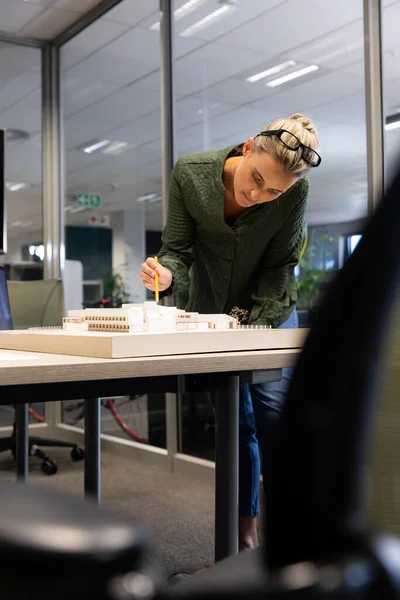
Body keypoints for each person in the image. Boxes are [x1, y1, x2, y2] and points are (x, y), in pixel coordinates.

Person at [140, 113, 321, 552]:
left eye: (273, 191)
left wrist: (250, 330)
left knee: (276, 418)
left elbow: (279, 268)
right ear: (245, 148)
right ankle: (245, 540)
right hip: (211, 315)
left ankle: (298, 540)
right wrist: (165, 274)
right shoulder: (190, 174)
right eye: (256, 178)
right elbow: (178, 251)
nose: (257, 195)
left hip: (269, 311)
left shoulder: (293, 196)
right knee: (236, 425)